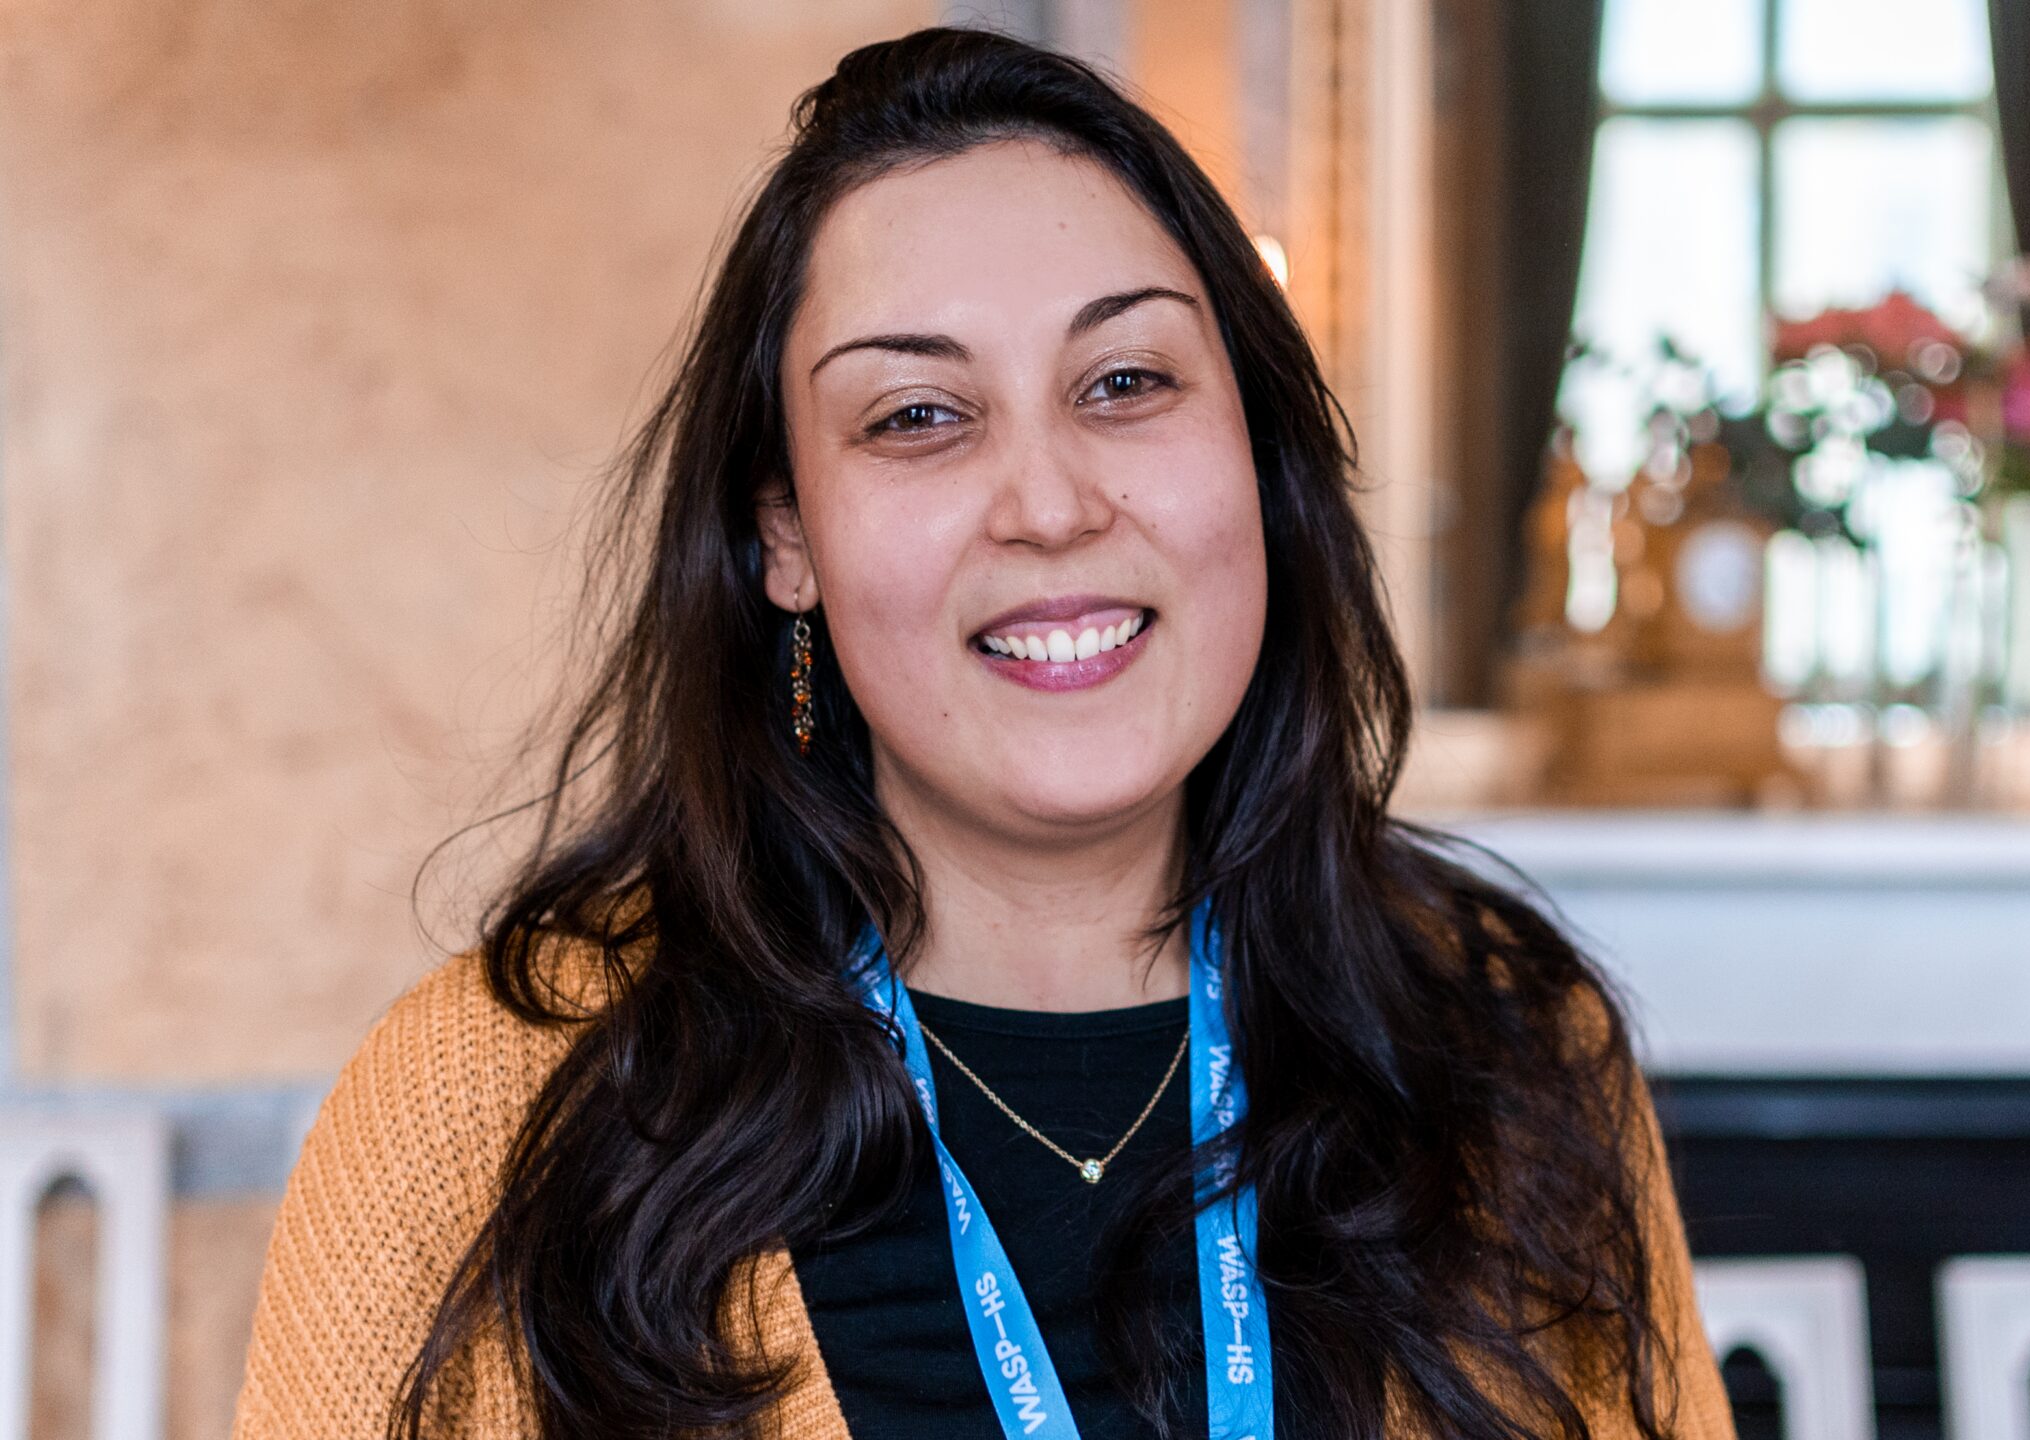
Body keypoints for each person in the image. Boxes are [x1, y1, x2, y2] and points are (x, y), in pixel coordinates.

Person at [230, 26, 1732, 1440]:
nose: (1051, 504)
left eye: (1126, 383)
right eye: (919, 417)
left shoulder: (1510, 1054)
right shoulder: (483, 1113)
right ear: (786, 537)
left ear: (1257, 457)